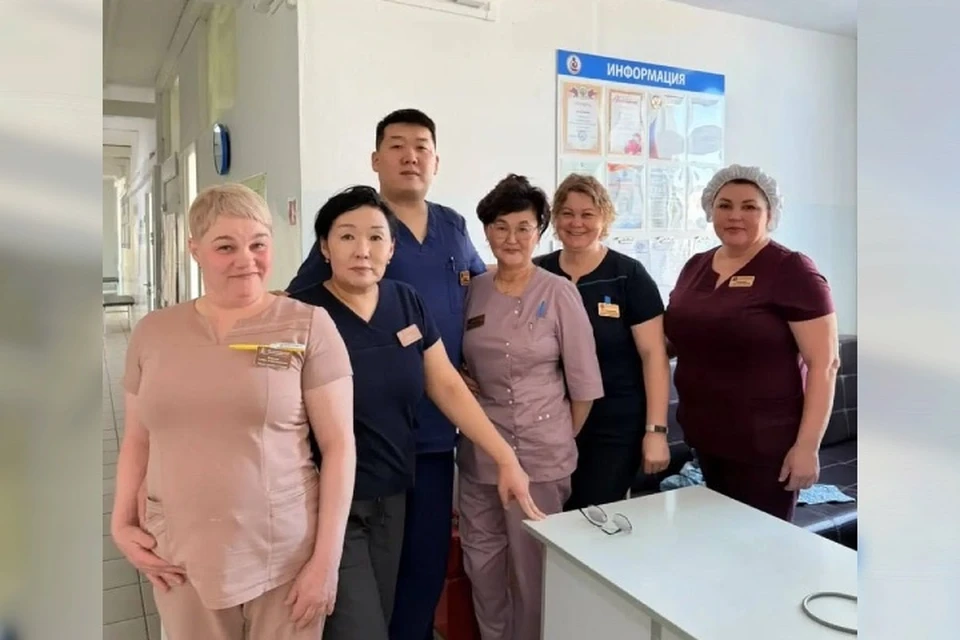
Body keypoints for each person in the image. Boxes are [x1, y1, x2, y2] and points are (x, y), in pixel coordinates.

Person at [289, 185, 544, 639]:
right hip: (327, 501)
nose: (362, 250)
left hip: (393, 493)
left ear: (391, 248)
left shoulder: (405, 301)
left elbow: (446, 384)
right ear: (324, 247)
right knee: (360, 628)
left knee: (390, 612)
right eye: (346, 236)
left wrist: (505, 457)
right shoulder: (303, 313)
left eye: (375, 237)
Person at [111, 184, 356, 639]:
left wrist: (326, 563)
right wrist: (121, 523)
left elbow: (340, 446)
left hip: (284, 555)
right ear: (195, 250)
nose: (246, 260)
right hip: (179, 553)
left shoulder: (306, 325)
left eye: (258, 244)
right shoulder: (153, 333)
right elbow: (138, 440)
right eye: (226, 247)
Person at [286, 109, 486, 640]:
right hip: (363, 435)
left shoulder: (453, 226)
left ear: (436, 161)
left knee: (423, 563)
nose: (410, 157)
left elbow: (481, 293)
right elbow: (295, 310)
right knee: (364, 574)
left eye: (421, 147)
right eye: (396, 146)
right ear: (376, 160)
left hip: (435, 432)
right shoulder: (355, 226)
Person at [458, 174, 604, 640]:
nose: (512, 238)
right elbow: (455, 360)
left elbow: (584, 387)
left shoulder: (558, 292)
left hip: (541, 457)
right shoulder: (474, 289)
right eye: (501, 227)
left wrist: (556, 438)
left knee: (531, 569)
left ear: (539, 230)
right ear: (487, 232)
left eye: (523, 227)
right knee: (482, 564)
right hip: (481, 453)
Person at [663, 164, 840, 522]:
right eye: (724, 205)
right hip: (706, 438)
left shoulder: (792, 270)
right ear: (709, 209)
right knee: (719, 540)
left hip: (766, 448)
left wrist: (807, 447)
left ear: (770, 214)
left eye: (749, 207)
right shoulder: (696, 266)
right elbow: (674, 339)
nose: (735, 216)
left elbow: (824, 364)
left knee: (763, 547)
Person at [534, 174, 671, 510]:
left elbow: (654, 355)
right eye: (567, 213)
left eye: (587, 214)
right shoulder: (539, 273)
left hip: (614, 426)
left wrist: (656, 431)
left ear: (605, 218)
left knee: (592, 517)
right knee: (549, 520)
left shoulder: (628, 275)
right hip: (549, 423)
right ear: (555, 218)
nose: (576, 223)